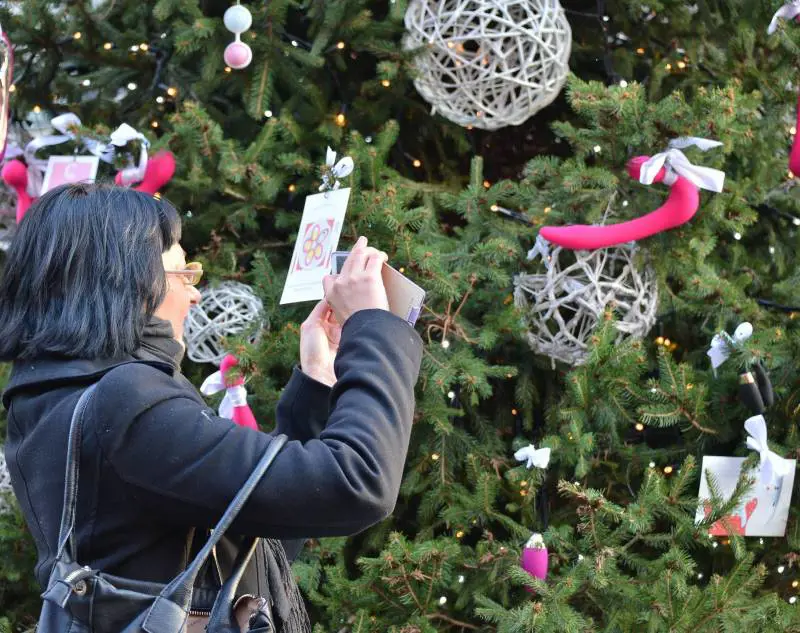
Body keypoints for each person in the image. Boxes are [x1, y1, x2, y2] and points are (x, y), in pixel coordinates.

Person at [0, 183, 422, 632]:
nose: (196, 295)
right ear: (125, 278)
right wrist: (374, 328)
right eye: (184, 274)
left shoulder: (57, 396)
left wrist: (318, 379)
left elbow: (266, 534)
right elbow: (358, 481)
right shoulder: (126, 401)